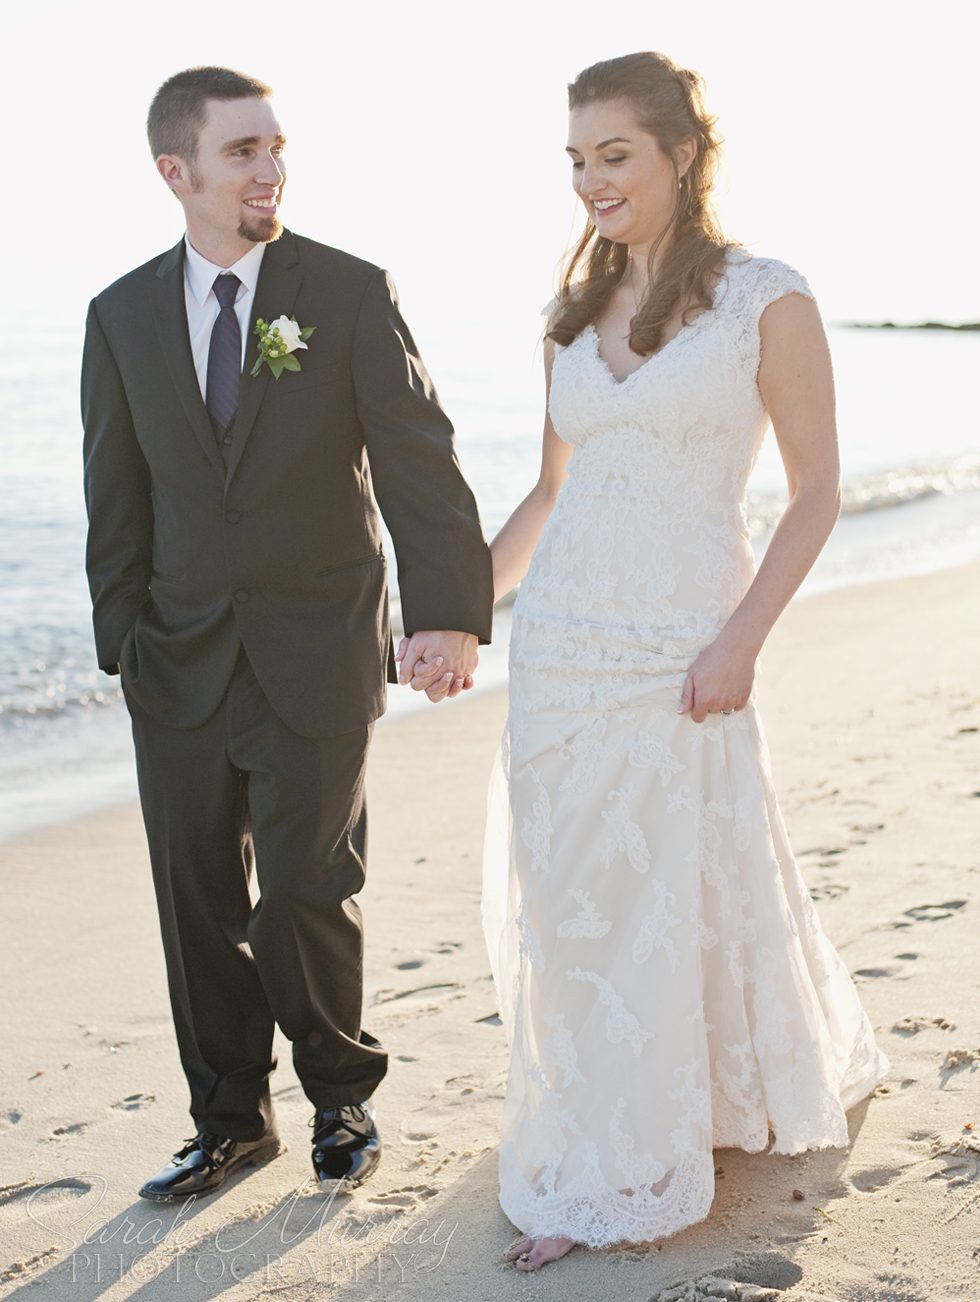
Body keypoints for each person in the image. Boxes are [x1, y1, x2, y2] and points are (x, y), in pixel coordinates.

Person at [477, 52, 889, 1270]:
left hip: (681, 651)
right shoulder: (567, 316)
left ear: (680, 154)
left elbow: (816, 494)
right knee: (577, 905)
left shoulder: (767, 296)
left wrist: (738, 641)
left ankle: (628, 1162)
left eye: (614, 155)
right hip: (559, 653)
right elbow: (547, 496)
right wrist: (450, 613)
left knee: (666, 891)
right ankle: (607, 1119)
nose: (591, 181)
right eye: (575, 161)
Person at [81, 66, 493, 1202]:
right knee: (196, 896)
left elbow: (418, 454)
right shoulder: (118, 316)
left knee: (308, 886)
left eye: (275, 148)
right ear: (178, 173)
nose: (269, 170)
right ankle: (228, 1122)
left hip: (317, 645)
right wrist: (123, 640)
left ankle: (338, 1097)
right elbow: (113, 494)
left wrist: (448, 613)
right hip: (176, 658)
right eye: (242, 152)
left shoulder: (348, 290)